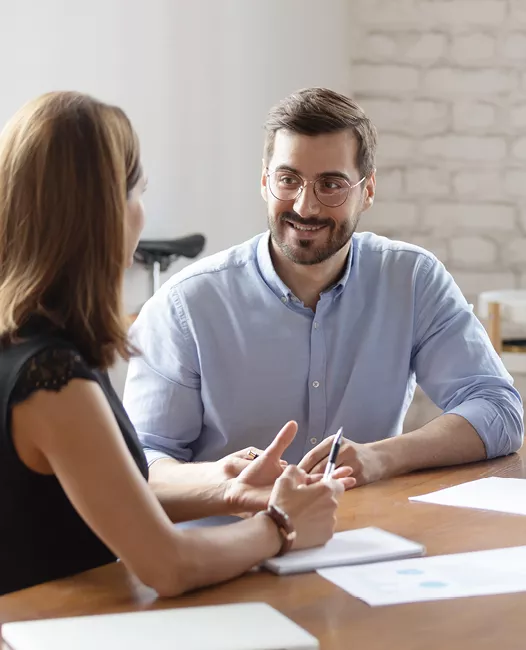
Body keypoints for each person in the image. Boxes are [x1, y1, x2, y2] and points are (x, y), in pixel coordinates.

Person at [0, 91, 352, 597]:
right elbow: (167, 566)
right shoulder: (52, 379)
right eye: (135, 195)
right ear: (98, 215)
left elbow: (110, 501)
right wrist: (280, 526)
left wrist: (227, 489)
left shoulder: (31, 344)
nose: (140, 217)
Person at [124, 87, 523, 492]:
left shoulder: (412, 279)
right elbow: (141, 460)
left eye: (330, 184)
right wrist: (224, 480)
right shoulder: (185, 306)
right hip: (228, 544)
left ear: (366, 191)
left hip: (371, 538)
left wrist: (380, 456)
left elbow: (499, 410)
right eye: (288, 180)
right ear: (265, 182)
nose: (305, 206)